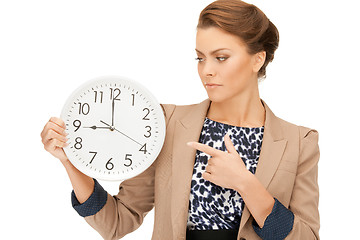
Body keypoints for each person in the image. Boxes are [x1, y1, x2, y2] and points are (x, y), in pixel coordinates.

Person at [40, 0, 320, 239]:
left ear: (257, 59)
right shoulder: (167, 122)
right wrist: (69, 161)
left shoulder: (299, 142)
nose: (206, 71)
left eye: (221, 58)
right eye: (200, 58)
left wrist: (246, 184)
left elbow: (307, 236)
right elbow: (118, 221)